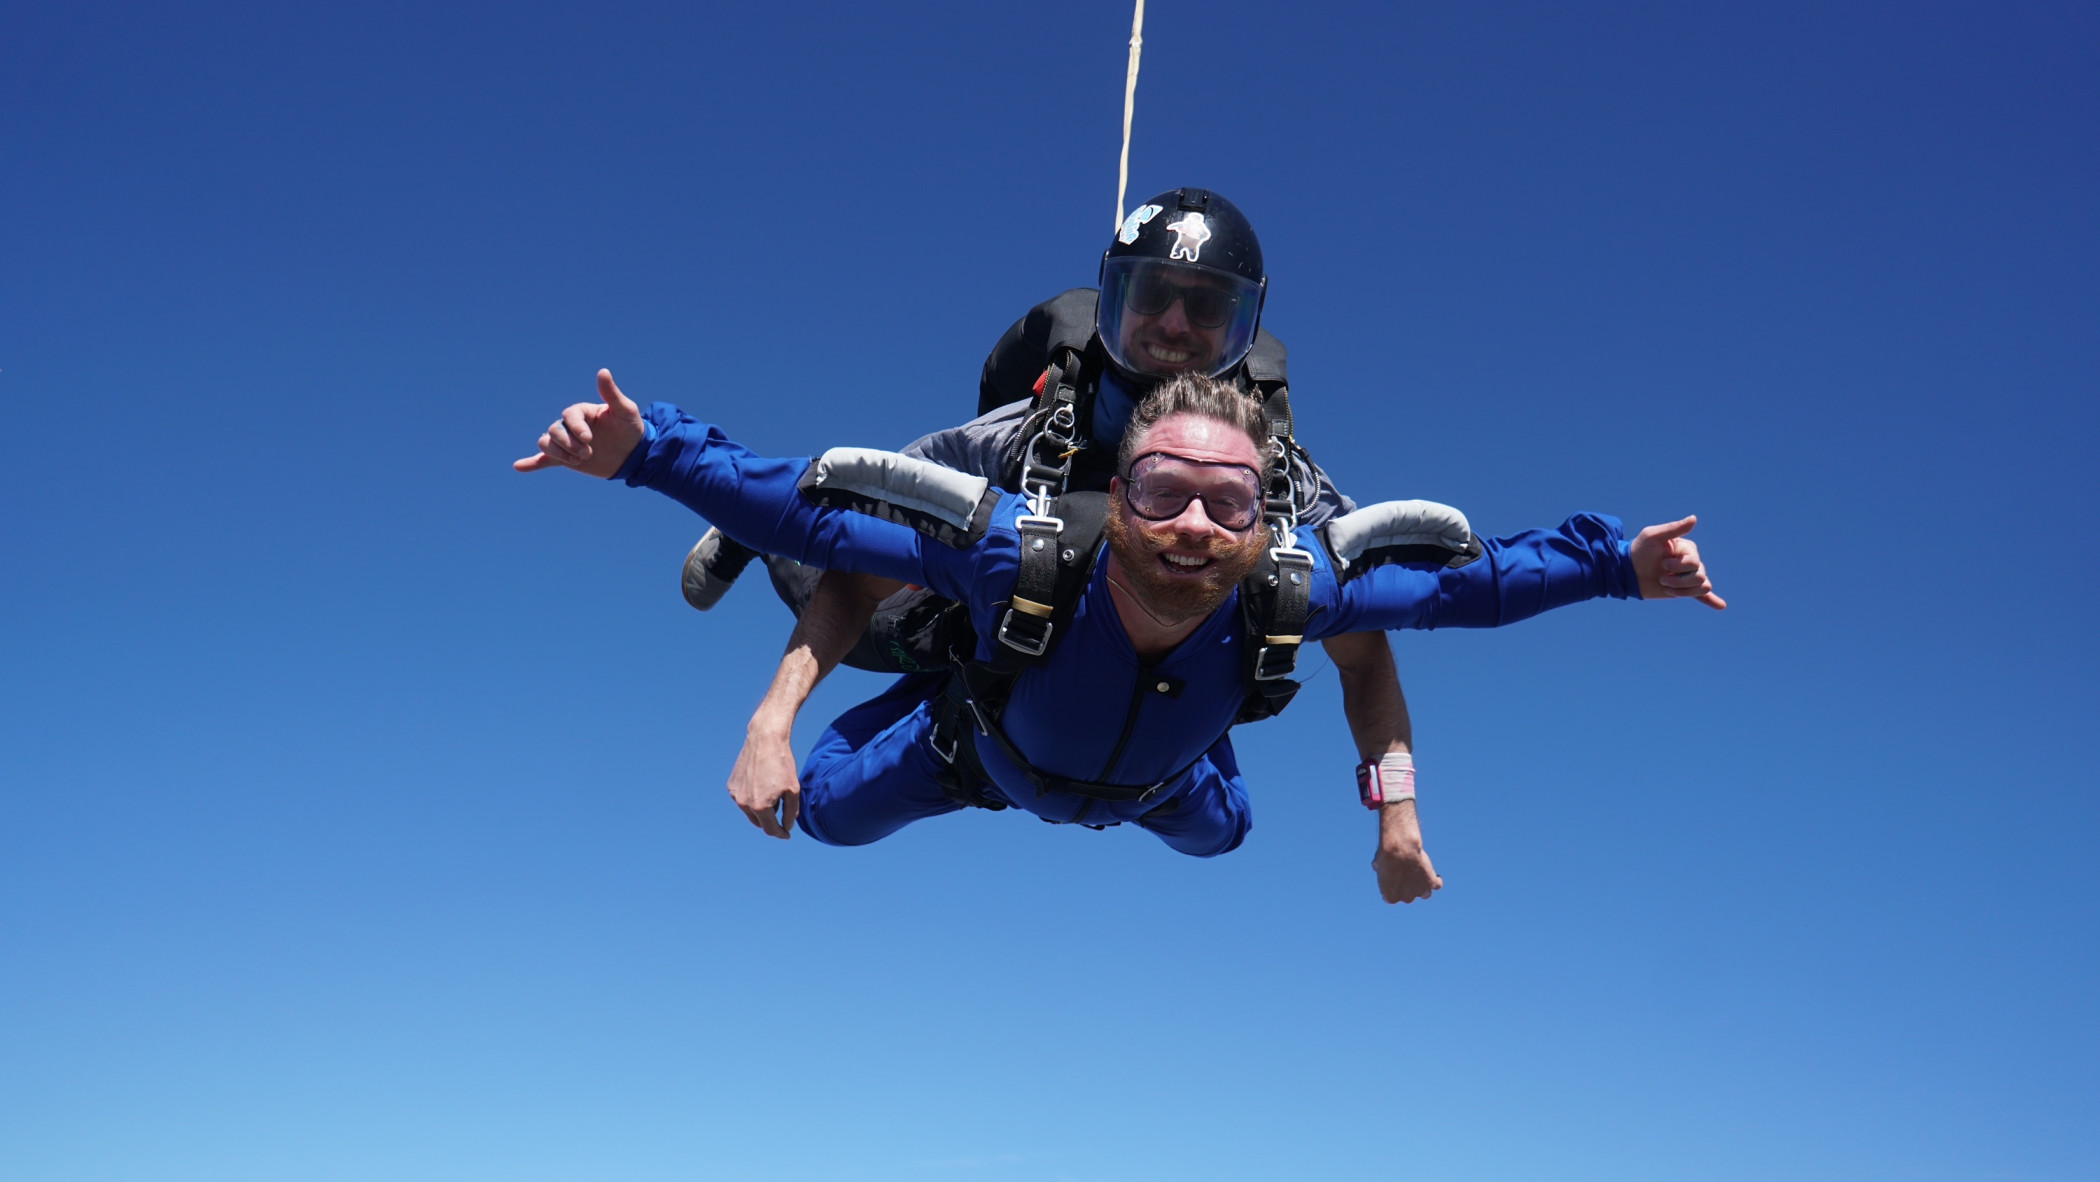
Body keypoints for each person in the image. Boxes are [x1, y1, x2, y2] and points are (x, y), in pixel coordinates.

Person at [514, 370, 1724, 873]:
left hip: (1167, 786)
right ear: (1117, 493)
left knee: (1231, 831)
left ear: (1267, 518)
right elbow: (816, 511)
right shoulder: (1020, 555)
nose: (1193, 525)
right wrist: (646, 454)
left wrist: (1620, 566)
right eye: (1159, 491)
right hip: (980, 756)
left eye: (1228, 500)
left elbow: (1479, 583)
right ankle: (945, 684)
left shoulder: (1296, 586)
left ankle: (1176, 722)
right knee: (818, 815)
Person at [681, 188, 1452, 903]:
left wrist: (1397, 811)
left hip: (1156, 750)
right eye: (1151, 296)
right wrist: (771, 722)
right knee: (849, 684)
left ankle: (1168, 728)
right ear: (1113, 299)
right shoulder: (1017, 441)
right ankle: (754, 529)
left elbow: (1366, 646)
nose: (1175, 326)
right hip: (983, 692)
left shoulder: (1281, 491)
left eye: (1207, 306)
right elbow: (856, 552)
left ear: (1243, 328)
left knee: (1227, 832)